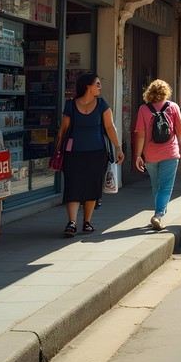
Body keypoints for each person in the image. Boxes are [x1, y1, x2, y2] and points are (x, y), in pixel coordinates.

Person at [55, 72, 125, 238]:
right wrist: (58, 149)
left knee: (92, 187)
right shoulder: (71, 105)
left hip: (97, 152)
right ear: (88, 86)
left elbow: (110, 127)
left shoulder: (102, 104)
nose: (100, 87)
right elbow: (64, 129)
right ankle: (71, 223)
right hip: (73, 153)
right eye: (97, 84)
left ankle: (87, 222)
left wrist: (118, 148)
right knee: (73, 186)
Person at [132, 79, 181, 231]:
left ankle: (158, 212)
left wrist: (138, 155)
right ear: (166, 92)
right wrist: (178, 141)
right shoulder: (173, 106)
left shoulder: (143, 109)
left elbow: (141, 135)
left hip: (150, 154)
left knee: (156, 185)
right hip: (170, 152)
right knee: (166, 187)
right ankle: (158, 215)